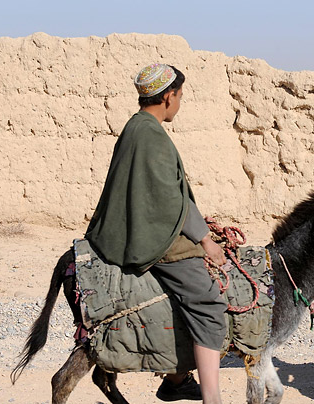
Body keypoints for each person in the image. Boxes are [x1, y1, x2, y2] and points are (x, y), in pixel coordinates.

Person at [85, 63, 227, 404]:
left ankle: (178, 378)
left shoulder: (137, 127)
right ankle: (212, 398)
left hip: (140, 228)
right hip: (152, 237)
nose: (180, 103)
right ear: (168, 96)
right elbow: (171, 201)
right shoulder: (151, 135)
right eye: (180, 96)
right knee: (209, 303)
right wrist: (206, 240)